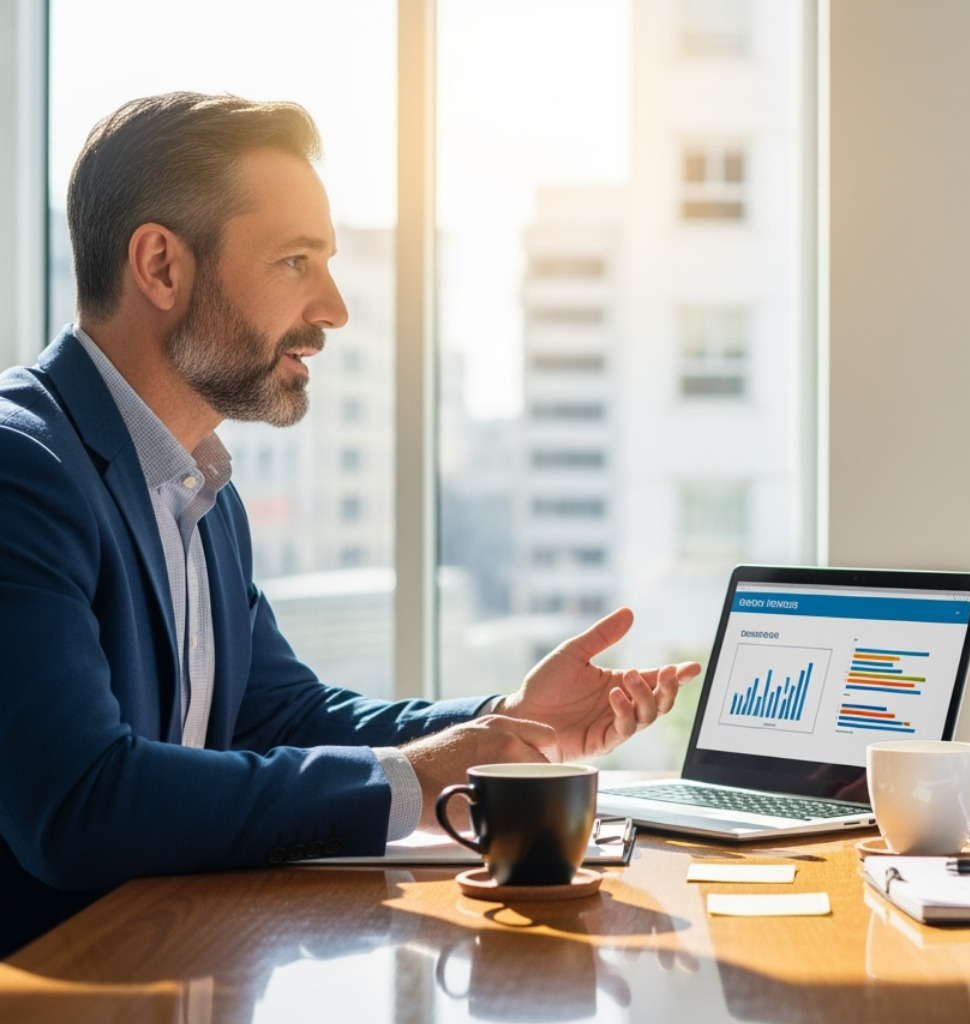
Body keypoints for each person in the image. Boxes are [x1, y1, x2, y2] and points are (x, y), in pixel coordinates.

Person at [0, 92, 700, 957]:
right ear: (161, 266)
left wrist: (506, 723)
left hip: (172, 963)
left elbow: (282, 717)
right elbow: (78, 804)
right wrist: (415, 776)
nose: (333, 308)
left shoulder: (197, 487)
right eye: (296, 261)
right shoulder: (22, 469)